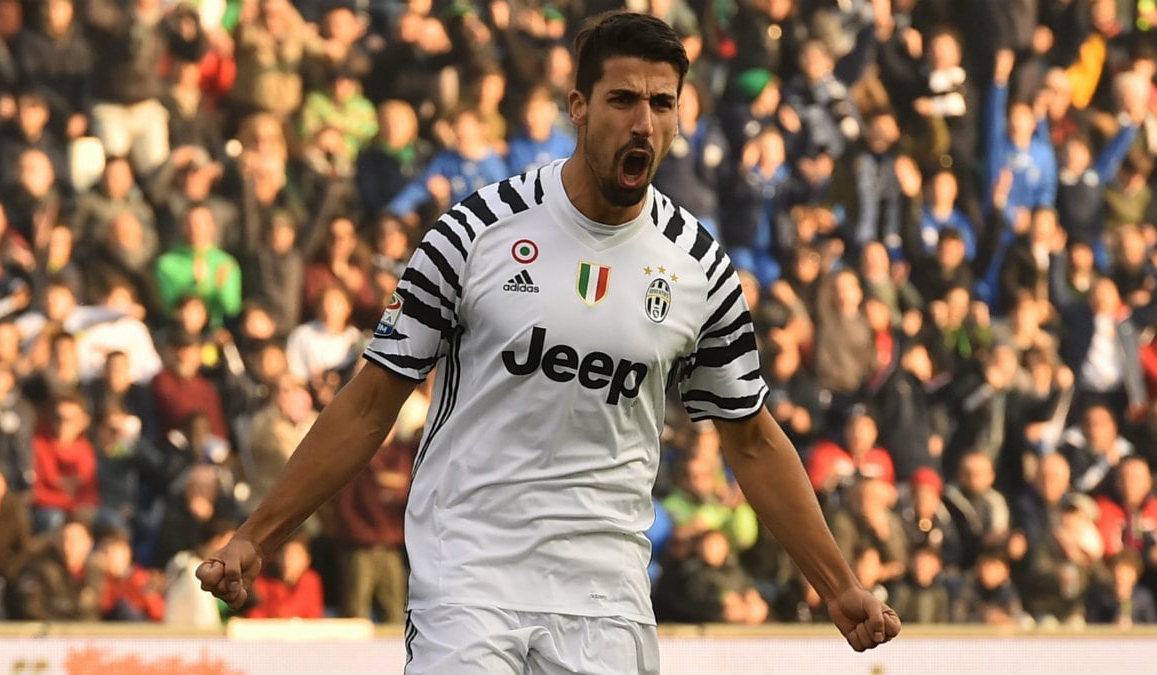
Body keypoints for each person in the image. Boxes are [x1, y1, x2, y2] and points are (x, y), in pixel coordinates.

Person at [198, 12, 900, 674]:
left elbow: (751, 438)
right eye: (623, 99)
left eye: (662, 104)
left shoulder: (698, 264)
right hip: (470, 576)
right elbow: (369, 402)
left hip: (605, 596)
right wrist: (258, 533)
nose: (643, 122)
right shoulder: (476, 230)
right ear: (578, 106)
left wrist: (837, 585)